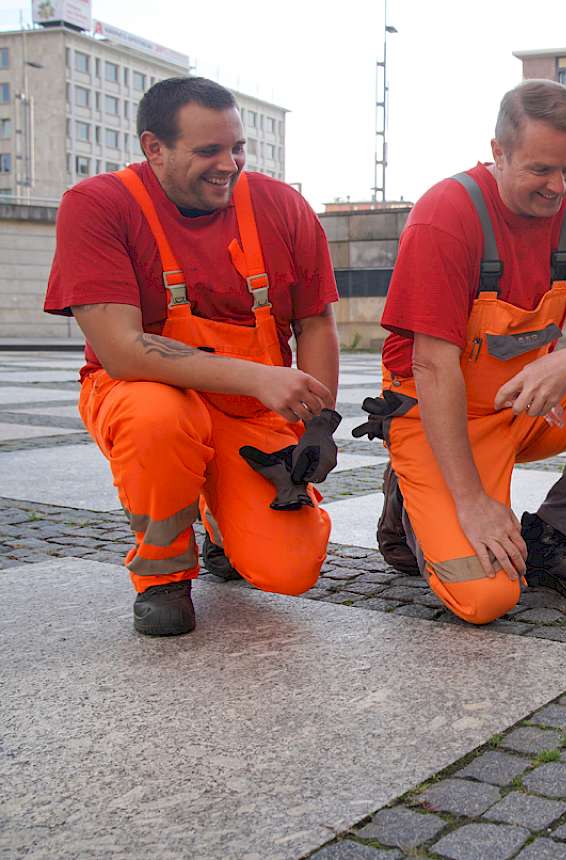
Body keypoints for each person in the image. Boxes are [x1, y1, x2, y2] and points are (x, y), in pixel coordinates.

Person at [361, 79, 566, 626]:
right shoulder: (446, 215)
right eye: (541, 170)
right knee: (485, 599)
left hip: (524, 409)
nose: (558, 187)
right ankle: (408, 495)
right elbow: (432, 366)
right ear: (499, 153)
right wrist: (472, 503)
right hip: (436, 417)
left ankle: (550, 538)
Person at [44, 77, 342, 637]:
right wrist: (257, 376)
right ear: (154, 147)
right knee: (158, 419)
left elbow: (315, 321)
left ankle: (221, 520)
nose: (229, 164)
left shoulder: (281, 206)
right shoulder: (98, 205)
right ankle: (163, 575)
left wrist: (317, 425)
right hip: (144, 397)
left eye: (237, 147)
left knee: (290, 570)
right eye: (209, 151)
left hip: (249, 413)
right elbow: (121, 351)